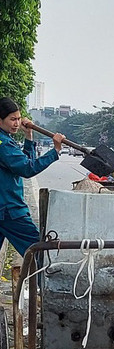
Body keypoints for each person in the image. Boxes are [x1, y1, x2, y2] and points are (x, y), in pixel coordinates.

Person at [0, 97, 65, 256]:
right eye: (12, 119)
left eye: (18, 118)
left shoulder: (5, 140)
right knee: (38, 250)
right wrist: (55, 151)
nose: (16, 123)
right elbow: (28, 169)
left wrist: (28, 135)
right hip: (9, 210)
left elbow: (23, 161)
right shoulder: (3, 142)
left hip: (4, 207)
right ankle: (42, 280)